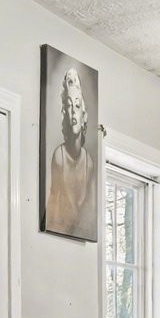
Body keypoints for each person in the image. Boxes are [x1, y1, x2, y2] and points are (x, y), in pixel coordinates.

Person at [46, 66, 98, 238]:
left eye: (77, 105)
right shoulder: (59, 157)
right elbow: (52, 206)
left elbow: (90, 214)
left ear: (83, 114)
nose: (73, 112)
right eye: (69, 106)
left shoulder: (89, 163)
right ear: (64, 113)